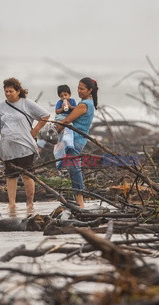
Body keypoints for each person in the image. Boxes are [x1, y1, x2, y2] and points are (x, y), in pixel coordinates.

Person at [0, 77, 50, 212]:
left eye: (10, 91)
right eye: (6, 91)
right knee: (10, 175)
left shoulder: (26, 103)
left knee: (27, 174)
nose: (7, 94)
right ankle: (11, 204)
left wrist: (35, 131)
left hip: (25, 146)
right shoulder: (1, 107)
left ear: (18, 91)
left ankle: (29, 203)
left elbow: (45, 115)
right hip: (7, 147)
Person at [56, 77, 98, 208]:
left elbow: (67, 120)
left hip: (76, 140)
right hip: (79, 139)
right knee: (73, 168)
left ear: (90, 90)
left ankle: (80, 202)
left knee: (74, 169)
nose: (79, 91)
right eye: (78, 88)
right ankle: (79, 199)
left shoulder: (83, 105)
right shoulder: (88, 103)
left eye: (82, 88)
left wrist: (54, 130)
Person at [53, 85, 77, 169]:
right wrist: (62, 108)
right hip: (61, 117)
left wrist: (70, 107)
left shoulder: (72, 101)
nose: (64, 97)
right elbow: (57, 111)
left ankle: (68, 143)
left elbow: (76, 109)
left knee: (69, 128)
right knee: (60, 127)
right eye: (61, 96)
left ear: (69, 94)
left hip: (68, 118)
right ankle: (61, 147)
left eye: (65, 95)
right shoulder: (59, 102)